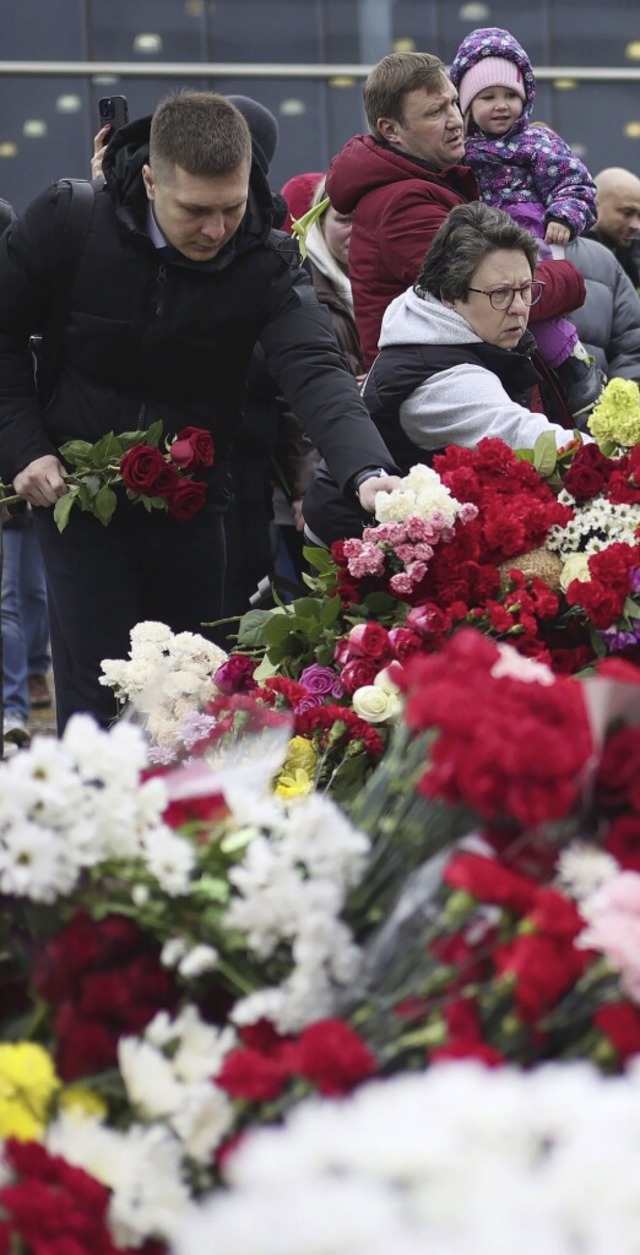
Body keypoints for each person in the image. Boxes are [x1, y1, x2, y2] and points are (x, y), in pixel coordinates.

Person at [0, 91, 401, 731]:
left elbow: (315, 368)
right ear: (153, 179)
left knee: (187, 692)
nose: (216, 230)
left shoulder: (265, 257)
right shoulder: (69, 219)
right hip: (74, 494)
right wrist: (23, 447)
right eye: (195, 211)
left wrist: (366, 471)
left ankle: (180, 825)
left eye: (231, 208)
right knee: (99, 690)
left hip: (193, 501)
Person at [303, 202, 588, 548]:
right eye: (500, 293)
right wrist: (616, 463)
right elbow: (522, 434)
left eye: (525, 289)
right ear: (449, 295)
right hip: (353, 548)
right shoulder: (442, 379)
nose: (518, 307)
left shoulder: (438, 323)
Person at [325, 51, 587, 370]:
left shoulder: (434, 182)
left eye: (453, 103)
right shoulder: (403, 204)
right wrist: (569, 276)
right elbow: (491, 295)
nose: (454, 121)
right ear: (391, 130)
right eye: (435, 112)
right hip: (444, 390)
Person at [448, 27, 602, 421]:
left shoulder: (537, 143)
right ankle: (516, 393)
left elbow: (576, 182)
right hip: (480, 242)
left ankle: (575, 364)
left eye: (510, 96)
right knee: (498, 320)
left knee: (532, 308)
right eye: (488, 97)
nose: (501, 106)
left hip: (530, 236)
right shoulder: (458, 151)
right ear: (465, 103)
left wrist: (564, 216)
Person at [565, 234, 640, 385]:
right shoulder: (513, 251)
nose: (635, 225)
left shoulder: (605, 259)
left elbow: (631, 344)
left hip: (598, 401)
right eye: (626, 212)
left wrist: (617, 398)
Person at [588, 167, 640, 291]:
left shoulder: (635, 263)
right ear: (595, 206)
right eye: (627, 213)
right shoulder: (564, 255)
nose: (636, 225)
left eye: (639, 216)